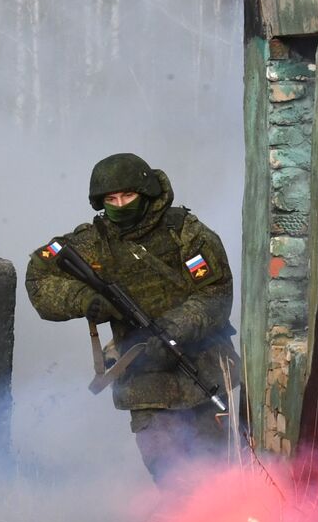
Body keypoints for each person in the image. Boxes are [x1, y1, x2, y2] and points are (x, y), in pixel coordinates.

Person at [25, 152, 240, 484]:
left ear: (147, 194)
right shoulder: (92, 243)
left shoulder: (186, 234)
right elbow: (39, 274)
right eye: (111, 199)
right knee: (171, 476)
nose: (120, 204)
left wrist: (173, 329)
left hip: (204, 371)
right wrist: (84, 299)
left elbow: (216, 295)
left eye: (128, 196)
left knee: (223, 472)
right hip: (144, 380)